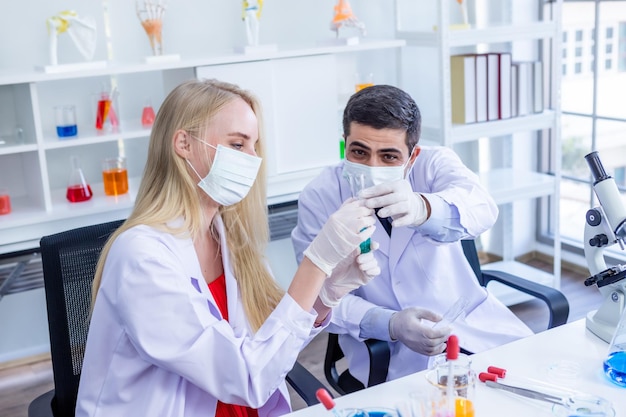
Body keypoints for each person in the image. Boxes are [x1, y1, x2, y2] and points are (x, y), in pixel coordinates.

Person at [75, 79, 380, 417]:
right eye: (237, 144)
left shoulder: (228, 236)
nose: (252, 160)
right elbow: (248, 376)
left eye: (254, 146)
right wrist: (316, 264)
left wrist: (324, 296)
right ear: (183, 144)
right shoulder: (141, 257)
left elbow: (269, 348)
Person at [291, 84, 534, 385]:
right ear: (345, 144)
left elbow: (483, 208)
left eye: (389, 156)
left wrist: (424, 209)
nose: (372, 166)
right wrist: (391, 323)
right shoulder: (320, 195)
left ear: (413, 155)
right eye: (359, 152)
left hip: (471, 326)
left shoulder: (433, 165)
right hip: (389, 352)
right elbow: (317, 297)